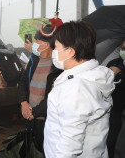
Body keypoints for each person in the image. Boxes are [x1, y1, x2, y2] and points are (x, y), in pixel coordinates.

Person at [44, 21, 115, 158]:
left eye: (56, 46)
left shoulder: (75, 88)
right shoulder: (95, 77)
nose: (53, 51)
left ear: (70, 51)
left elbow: (70, 143)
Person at [18, 25, 62, 154]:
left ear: (47, 45)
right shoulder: (34, 60)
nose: (34, 45)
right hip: (29, 115)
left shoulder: (57, 66)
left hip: (46, 119)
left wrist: (34, 113)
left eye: (37, 42)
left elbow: (54, 96)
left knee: (44, 151)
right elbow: (23, 82)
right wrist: (23, 102)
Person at [106, 38, 125, 158]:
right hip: (114, 114)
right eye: (122, 48)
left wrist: (122, 74)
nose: (123, 51)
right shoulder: (114, 63)